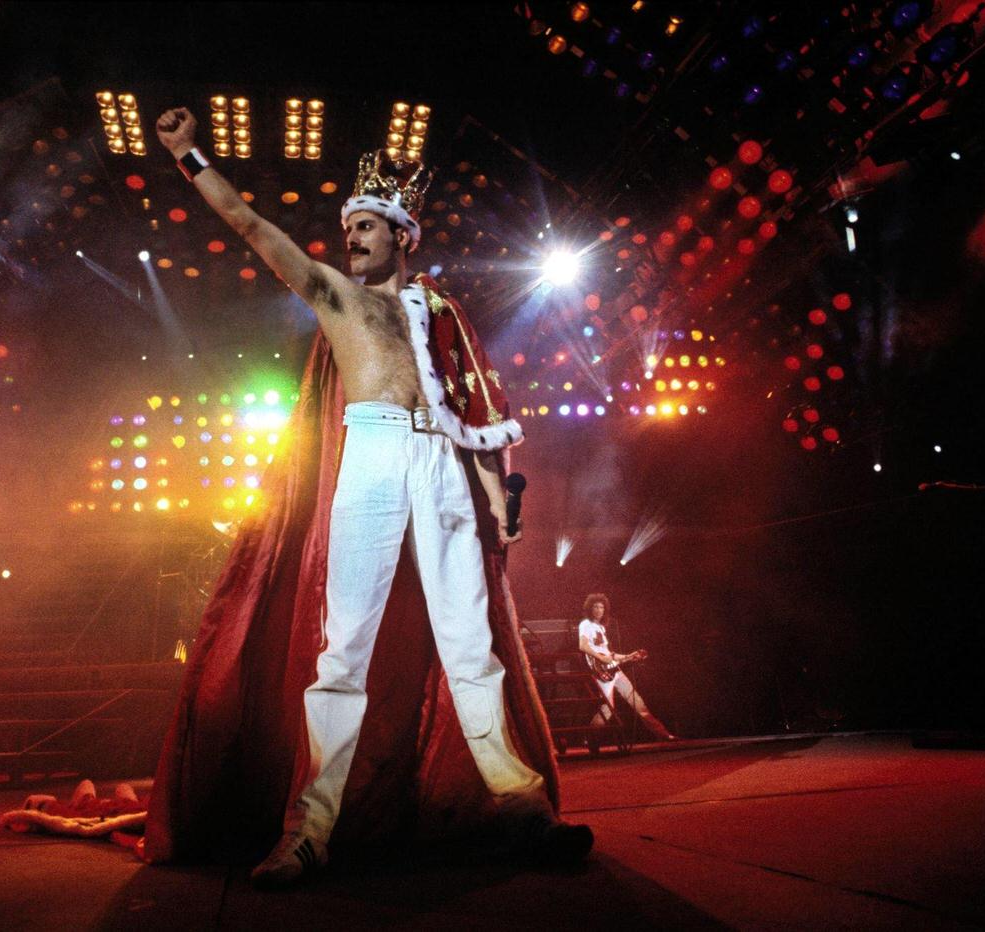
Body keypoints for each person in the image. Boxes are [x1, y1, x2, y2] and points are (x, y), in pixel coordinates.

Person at [143, 107, 592, 887]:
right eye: (346, 224)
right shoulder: (334, 297)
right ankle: (309, 829)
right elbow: (251, 226)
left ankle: (521, 807)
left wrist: (499, 498)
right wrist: (189, 155)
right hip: (375, 453)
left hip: (443, 463)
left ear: (402, 235)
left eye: (365, 226)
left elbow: (476, 410)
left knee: (469, 644)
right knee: (343, 650)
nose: (349, 235)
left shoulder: (443, 313)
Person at [577, 593, 675, 742]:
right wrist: (600, 657)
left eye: (601, 607)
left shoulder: (601, 628)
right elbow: (582, 646)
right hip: (601, 671)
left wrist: (630, 656)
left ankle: (663, 734)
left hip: (613, 669)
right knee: (608, 710)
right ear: (590, 608)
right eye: (596, 607)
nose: (599, 610)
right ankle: (589, 739)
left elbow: (610, 654)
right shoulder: (585, 624)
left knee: (637, 702)